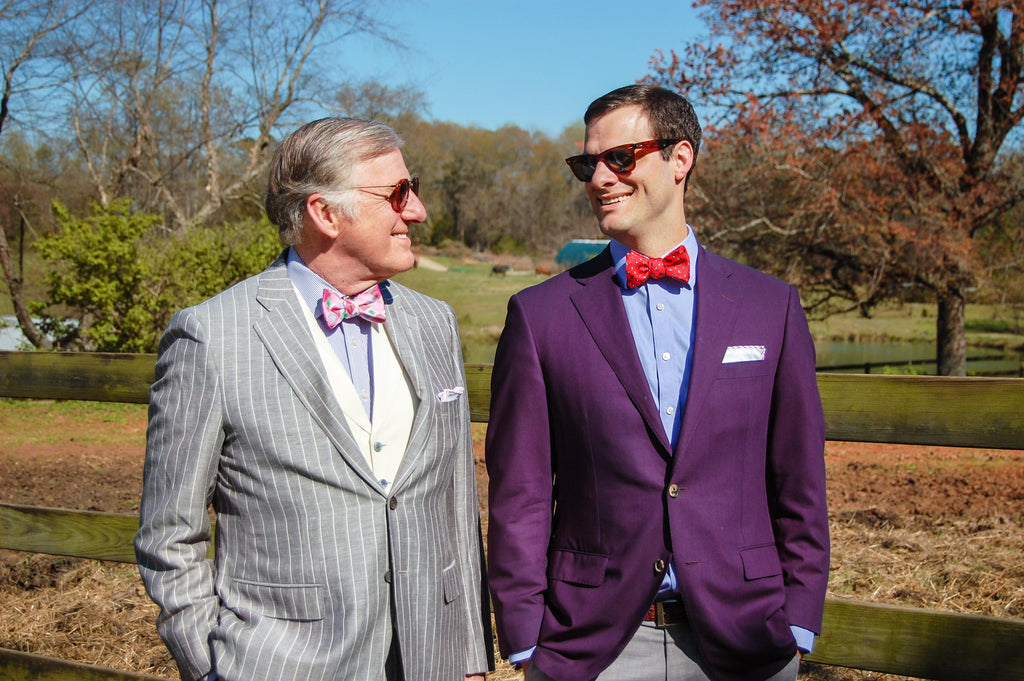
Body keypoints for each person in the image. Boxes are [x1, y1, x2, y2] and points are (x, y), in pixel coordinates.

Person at [485, 84, 829, 681]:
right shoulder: (540, 316)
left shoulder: (770, 306)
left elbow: (798, 475)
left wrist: (799, 618)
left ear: (680, 159)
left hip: (748, 638)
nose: (599, 178)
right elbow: (521, 493)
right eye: (586, 164)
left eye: (620, 157)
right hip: (591, 647)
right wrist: (523, 638)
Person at [135, 117, 493, 681]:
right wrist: (209, 666)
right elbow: (168, 533)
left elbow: (454, 499)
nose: (418, 211)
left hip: (432, 661)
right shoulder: (211, 336)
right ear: (325, 213)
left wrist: (469, 651)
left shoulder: (433, 323)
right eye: (398, 193)